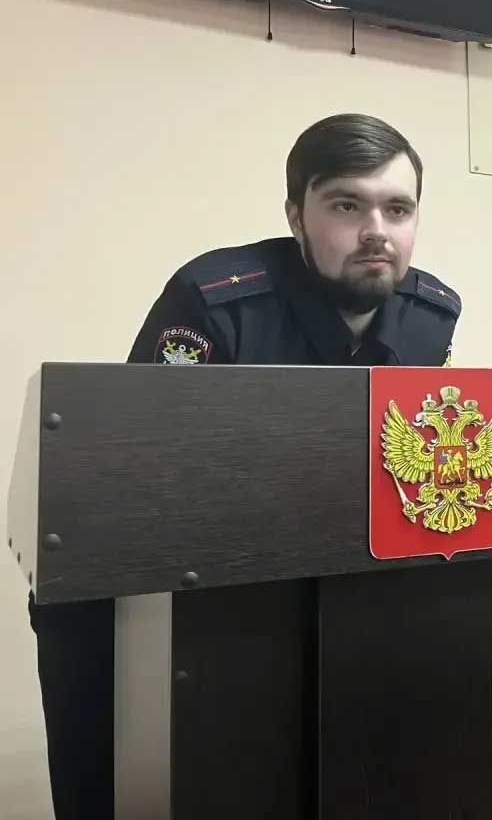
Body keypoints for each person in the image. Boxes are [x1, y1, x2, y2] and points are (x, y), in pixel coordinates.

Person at [29, 112, 461, 817]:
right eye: (346, 206)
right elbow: (140, 468)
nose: (376, 231)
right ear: (296, 216)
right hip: (153, 594)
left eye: (398, 208)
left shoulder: (432, 314)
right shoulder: (217, 300)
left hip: (319, 587)